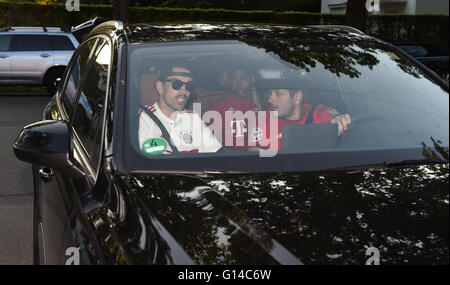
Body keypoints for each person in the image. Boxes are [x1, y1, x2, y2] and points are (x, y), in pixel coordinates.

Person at [138, 62, 222, 155]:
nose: (184, 90)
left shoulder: (192, 118)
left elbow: (215, 154)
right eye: (177, 84)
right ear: (160, 87)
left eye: (189, 85)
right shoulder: (144, 118)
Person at [248, 79, 351, 151]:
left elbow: (336, 120)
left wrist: (340, 120)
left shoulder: (319, 114)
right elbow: (253, 150)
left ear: (297, 97)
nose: (270, 100)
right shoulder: (262, 120)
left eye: (278, 94)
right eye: (270, 94)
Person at [208, 68, 262, 148]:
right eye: (234, 80)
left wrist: (258, 105)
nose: (239, 85)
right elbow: (211, 144)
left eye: (243, 79)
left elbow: (270, 133)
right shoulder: (220, 107)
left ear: (252, 79)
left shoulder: (266, 103)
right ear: (230, 82)